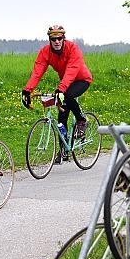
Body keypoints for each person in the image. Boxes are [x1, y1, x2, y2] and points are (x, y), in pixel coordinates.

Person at [21, 25, 92, 163]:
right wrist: (27, 90)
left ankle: (82, 120)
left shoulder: (73, 49)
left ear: (63, 38)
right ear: (49, 40)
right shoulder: (45, 52)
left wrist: (61, 89)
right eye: (53, 39)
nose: (57, 41)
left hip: (81, 80)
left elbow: (72, 70)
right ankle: (64, 151)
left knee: (69, 96)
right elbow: (37, 71)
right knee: (61, 118)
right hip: (65, 83)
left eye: (59, 38)